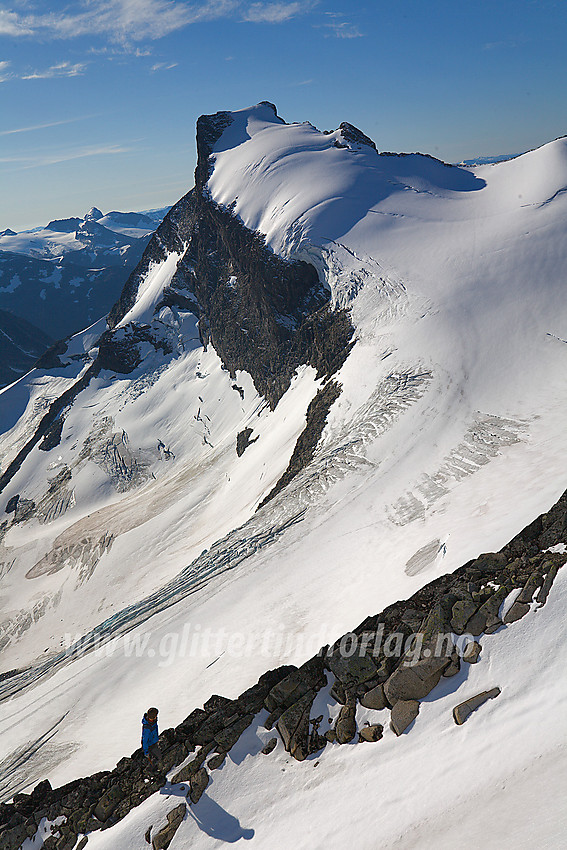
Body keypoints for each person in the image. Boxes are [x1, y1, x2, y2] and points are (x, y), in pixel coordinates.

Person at [141, 707, 161, 772]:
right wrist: (146, 751)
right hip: (150, 745)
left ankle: (154, 770)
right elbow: (145, 740)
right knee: (157, 757)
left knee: (157, 757)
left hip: (154, 742)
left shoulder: (153, 722)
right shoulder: (147, 727)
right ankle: (150, 771)